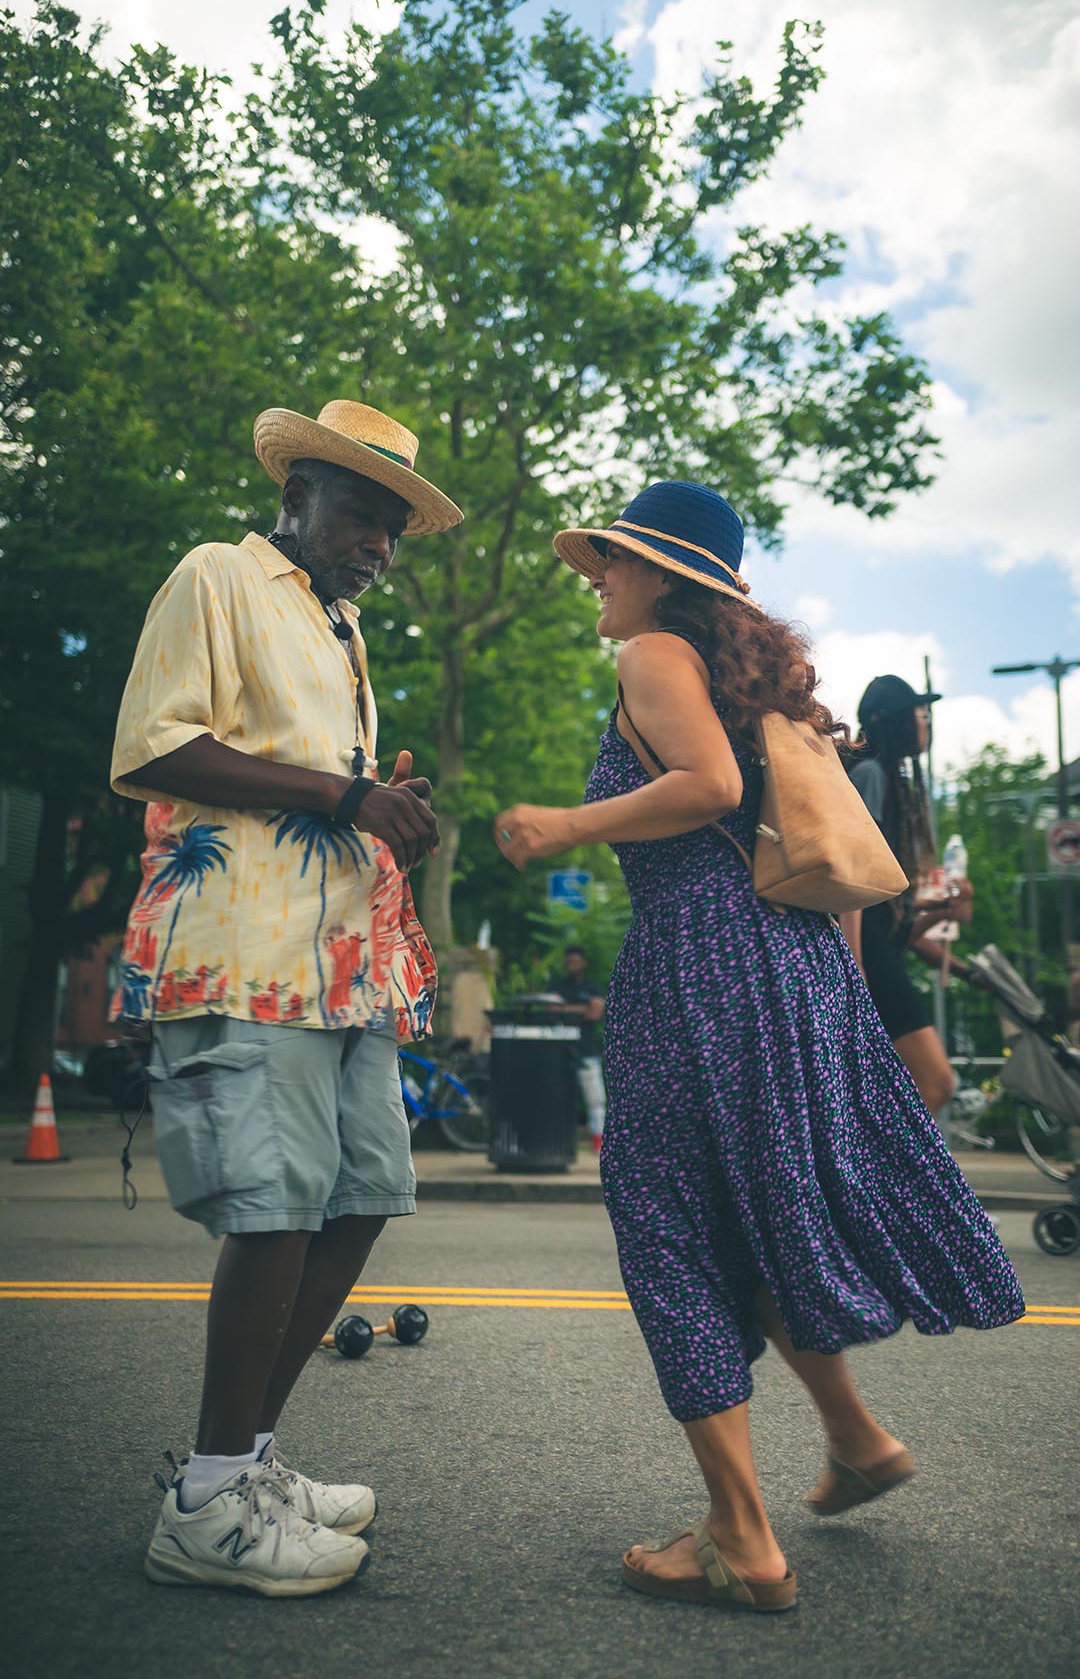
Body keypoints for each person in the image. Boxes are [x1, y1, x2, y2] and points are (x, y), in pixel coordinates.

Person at [494, 480, 1023, 1614]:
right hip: (792, 967)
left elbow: (713, 789)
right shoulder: (756, 687)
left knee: (669, 1222)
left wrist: (563, 823)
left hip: (699, 966)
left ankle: (739, 1534)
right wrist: (823, 1000)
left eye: (611, 561)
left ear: (659, 575)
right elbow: (814, 854)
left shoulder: (651, 657)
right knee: (749, 1209)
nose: (596, 575)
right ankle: (856, 1436)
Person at [110, 398, 462, 1597]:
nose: (381, 542)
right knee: (273, 1213)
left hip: (343, 969)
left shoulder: (343, 631)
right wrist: (341, 794)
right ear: (299, 492)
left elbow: (323, 790)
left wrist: (379, 807)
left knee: (358, 1199)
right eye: (367, 511)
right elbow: (153, 746)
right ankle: (206, 1501)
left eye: (397, 527)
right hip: (241, 954)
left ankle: (248, 1461)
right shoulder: (218, 575)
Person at [841, 675, 974, 1115]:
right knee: (935, 1083)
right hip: (868, 956)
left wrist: (942, 910)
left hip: (881, 950)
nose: (927, 723)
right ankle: (883, 1177)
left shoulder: (887, 781)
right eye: (921, 714)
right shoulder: (871, 775)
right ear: (898, 722)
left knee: (922, 1086)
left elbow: (891, 923)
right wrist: (854, 973)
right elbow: (852, 884)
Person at [549, 945, 607, 1151]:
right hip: (561, 1051)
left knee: (595, 1099)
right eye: (569, 961)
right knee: (558, 1098)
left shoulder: (593, 987)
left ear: (584, 962)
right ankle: (558, 1142)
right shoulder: (557, 986)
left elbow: (596, 1013)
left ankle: (599, 1143)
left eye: (575, 960)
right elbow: (553, 1011)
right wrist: (582, 1009)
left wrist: (567, 1009)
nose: (571, 964)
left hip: (587, 1050)